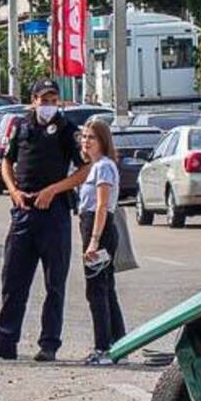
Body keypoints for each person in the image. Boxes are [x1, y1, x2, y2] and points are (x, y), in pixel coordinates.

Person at [0, 80, 88, 363]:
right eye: (44, 98)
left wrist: (54, 189)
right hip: (24, 211)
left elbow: (86, 169)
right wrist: (12, 190)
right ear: (34, 100)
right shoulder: (21, 126)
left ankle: (49, 343)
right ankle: (5, 341)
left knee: (54, 284)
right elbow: (6, 161)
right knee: (13, 280)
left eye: (54, 98)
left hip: (54, 212)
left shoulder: (67, 130)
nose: (50, 104)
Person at [77, 119, 126, 364]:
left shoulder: (103, 167)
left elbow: (101, 205)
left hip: (99, 229)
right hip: (94, 227)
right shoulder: (96, 166)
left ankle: (103, 348)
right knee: (106, 288)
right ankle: (119, 344)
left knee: (96, 290)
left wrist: (94, 241)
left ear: (103, 141)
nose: (86, 141)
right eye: (84, 136)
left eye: (92, 137)